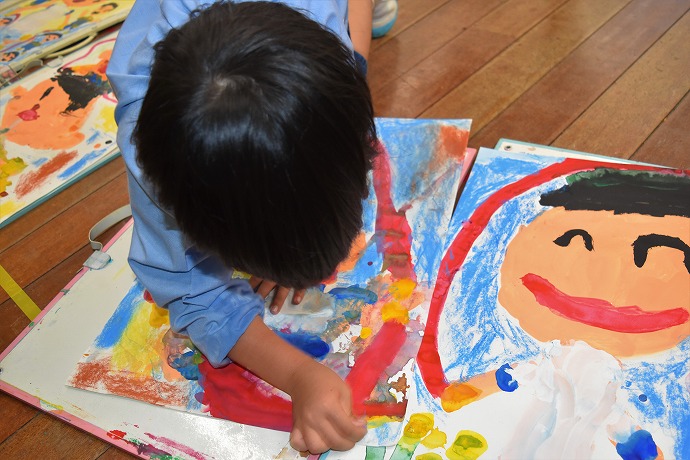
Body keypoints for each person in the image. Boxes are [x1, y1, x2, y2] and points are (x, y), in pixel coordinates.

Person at [106, 0, 397, 454]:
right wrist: (299, 375)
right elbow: (192, 291)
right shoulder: (158, 173)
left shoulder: (320, 33)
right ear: (197, 226)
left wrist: (354, 72)